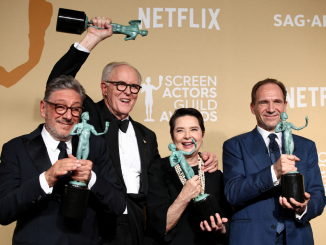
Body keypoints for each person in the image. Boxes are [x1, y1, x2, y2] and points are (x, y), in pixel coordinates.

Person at [47, 16, 219, 245]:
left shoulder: (146, 135)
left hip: (138, 223)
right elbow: (58, 81)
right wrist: (92, 38)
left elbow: (163, 172)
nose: (127, 92)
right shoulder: (89, 115)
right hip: (95, 219)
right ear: (104, 88)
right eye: (120, 85)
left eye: (134, 87)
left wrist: (199, 158)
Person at [0, 76, 125, 245]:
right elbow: (4, 210)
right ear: (43, 108)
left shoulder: (96, 146)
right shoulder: (15, 149)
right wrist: (46, 179)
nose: (68, 116)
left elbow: (118, 205)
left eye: (75, 109)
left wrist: (92, 179)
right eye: (60, 107)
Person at [223, 78, 326, 245]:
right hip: (252, 238)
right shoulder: (235, 146)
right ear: (252, 108)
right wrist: (274, 171)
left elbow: (319, 196)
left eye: (277, 102)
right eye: (264, 102)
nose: (271, 109)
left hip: (298, 238)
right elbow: (233, 193)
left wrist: (304, 208)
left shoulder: (307, 146)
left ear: (285, 106)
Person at [146, 108, 232, 245]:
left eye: (193, 129)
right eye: (180, 130)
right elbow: (160, 226)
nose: (187, 136)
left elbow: (227, 222)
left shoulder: (214, 173)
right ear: (172, 135)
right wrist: (185, 196)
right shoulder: (158, 169)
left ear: (203, 134)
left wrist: (220, 229)